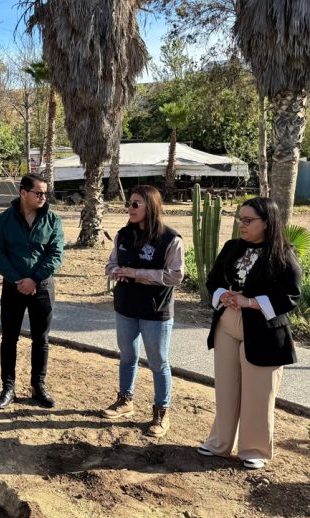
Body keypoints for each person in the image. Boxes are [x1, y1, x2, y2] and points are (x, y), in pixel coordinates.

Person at [198, 197, 301, 470]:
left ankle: (254, 449)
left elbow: (290, 295)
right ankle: (219, 442)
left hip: (265, 329)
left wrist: (250, 302)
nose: (241, 225)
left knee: (259, 392)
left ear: (266, 222)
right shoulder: (232, 247)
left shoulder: (283, 253)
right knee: (226, 387)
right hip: (227, 323)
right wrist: (223, 296)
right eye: (239, 219)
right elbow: (213, 280)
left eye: (248, 220)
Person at [101, 185, 184, 437]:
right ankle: (125, 400)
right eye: (129, 203)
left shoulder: (171, 239)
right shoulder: (123, 234)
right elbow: (111, 263)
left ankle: (162, 412)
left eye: (136, 204)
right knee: (127, 356)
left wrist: (137, 274)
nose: (130, 208)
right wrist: (116, 271)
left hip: (155, 311)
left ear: (152, 207)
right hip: (125, 306)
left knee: (158, 363)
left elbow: (176, 276)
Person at [0, 173, 64, 410]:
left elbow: (56, 254)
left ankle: (38, 387)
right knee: (9, 338)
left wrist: (34, 279)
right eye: (38, 193)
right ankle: (8, 388)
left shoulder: (52, 220)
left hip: (42, 288)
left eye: (45, 193)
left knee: (41, 339)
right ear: (23, 193)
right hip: (13, 288)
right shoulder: (3, 220)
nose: (43, 197)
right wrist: (18, 279)